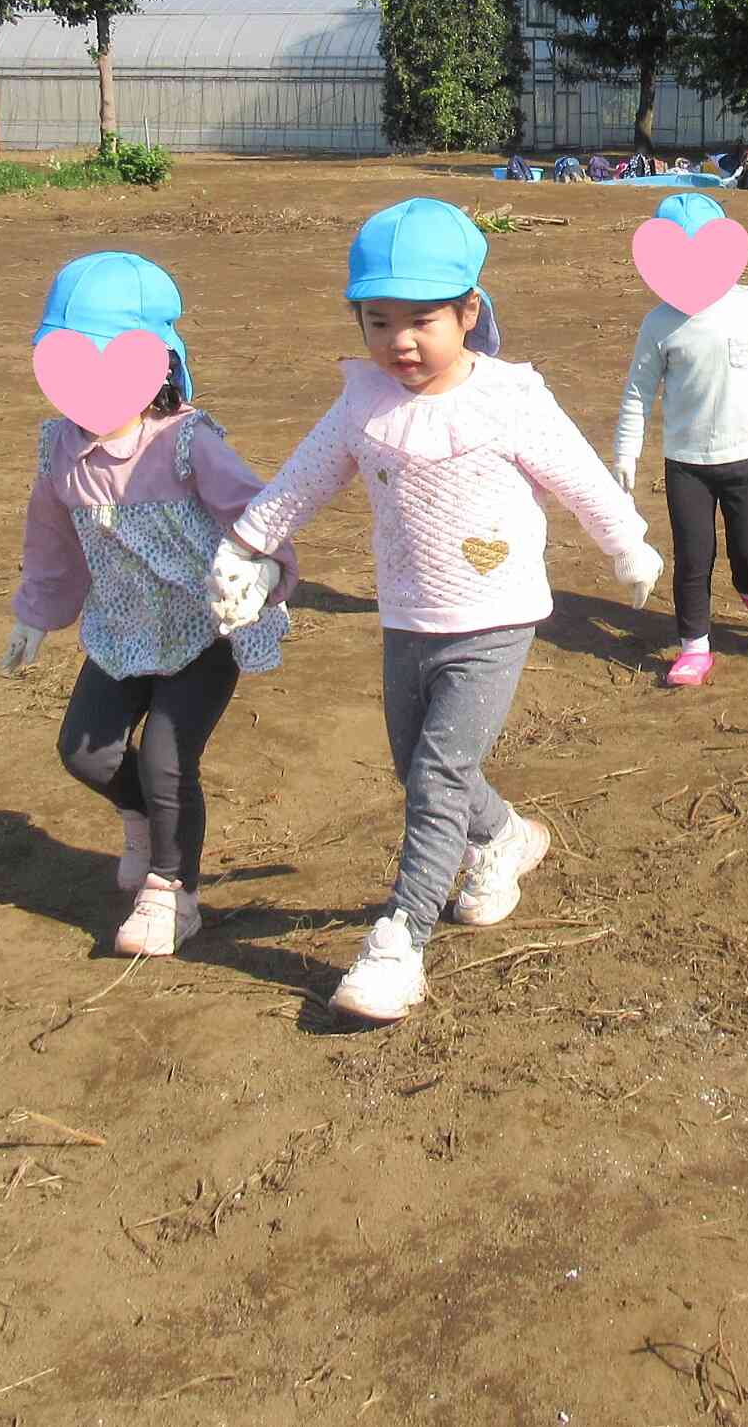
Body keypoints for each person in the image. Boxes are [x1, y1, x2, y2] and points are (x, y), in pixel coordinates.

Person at [207, 200, 660, 1026]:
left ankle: (400, 940)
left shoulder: (509, 400)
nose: (400, 342)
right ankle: (506, 837)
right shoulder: (363, 404)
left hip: (496, 616)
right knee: (416, 768)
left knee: (437, 780)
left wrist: (626, 543)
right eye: (379, 322)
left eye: (422, 321)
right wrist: (246, 545)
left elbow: (580, 475)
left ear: (469, 313)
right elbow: (303, 479)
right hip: (407, 612)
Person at [2, 253, 293, 958]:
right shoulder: (58, 450)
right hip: (121, 631)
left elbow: (261, 513)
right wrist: (36, 614)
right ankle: (141, 819)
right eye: (67, 361)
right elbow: (50, 536)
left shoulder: (188, 445)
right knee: (85, 752)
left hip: (201, 629)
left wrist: (260, 572)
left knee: (167, 759)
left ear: (161, 364)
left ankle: (172, 892)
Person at [612, 193, 748, 687]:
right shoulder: (659, 324)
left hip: (747, 453)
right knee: (693, 557)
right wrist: (625, 449)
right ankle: (694, 645)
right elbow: (638, 391)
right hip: (686, 463)